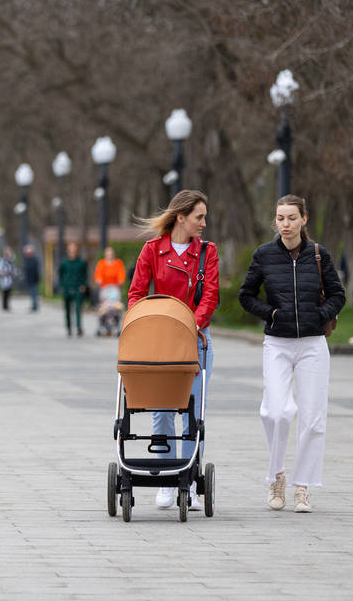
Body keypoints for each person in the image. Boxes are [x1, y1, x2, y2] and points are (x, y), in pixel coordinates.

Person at [239, 194, 345, 513]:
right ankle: (277, 475)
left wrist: (319, 314)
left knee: (312, 419)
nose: (285, 224)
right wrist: (271, 313)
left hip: (313, 344)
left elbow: (339, 294)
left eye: (291, 218)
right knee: (276, 411)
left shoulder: (318, 254)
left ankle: (302, 487)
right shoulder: (264, 255)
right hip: (278, 343)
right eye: (280, 218)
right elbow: (246, 295)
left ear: (304, 219)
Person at [127, 189, 219, 511]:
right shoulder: (153, 250)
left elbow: (210, 295)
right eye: (199, 217)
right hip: (159, 338)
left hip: (194, 338)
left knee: (193, 412)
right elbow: (137, 293)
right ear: (181, 217)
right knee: (161, 408)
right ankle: (165, 478)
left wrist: (190, 326)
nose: (204, 223)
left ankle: (189, 480)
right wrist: (142, 326)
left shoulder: (207, 253)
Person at [58, 242, 88, 337]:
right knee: (67, 309)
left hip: (78, 287)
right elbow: (60, 275)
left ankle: (79, 327)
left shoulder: (81, 262)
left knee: (78, 308)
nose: (72, 250)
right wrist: (61, 286)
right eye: (71, 248)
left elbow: (85, 275)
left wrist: (83, 285)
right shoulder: (64, 262)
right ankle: (69, 327)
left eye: (74, 248)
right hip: (67, 287)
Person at [21, 245, 41, 312]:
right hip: (30, 279)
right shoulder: (27, 259)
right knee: (32, 293)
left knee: (34, 293)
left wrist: (36, 279)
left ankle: (34, 306)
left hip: (34, 279)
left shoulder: (34, 259)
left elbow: (35, 270)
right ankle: (34, 305)